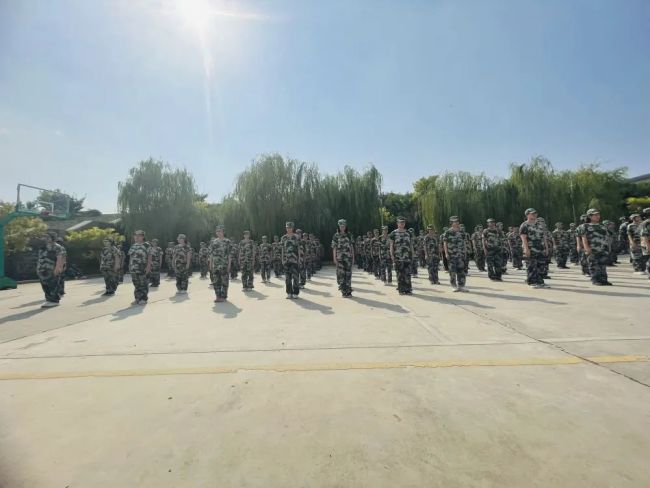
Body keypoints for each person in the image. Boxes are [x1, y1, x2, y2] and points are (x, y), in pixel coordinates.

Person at [519, 208, 549, 289]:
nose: (534, 215)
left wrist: (546, 248)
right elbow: (523, 238)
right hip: (531, 248)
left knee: (541, 266)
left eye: (535, 213)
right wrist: (526, 249)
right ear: (527, 215)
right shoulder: (524, 225)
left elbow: (544, 237)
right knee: (532, 266)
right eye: (532, 213)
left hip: (540, 248)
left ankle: (539, 281)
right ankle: (532, 282)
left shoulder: (540, 225)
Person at [582, 209, 612, 286]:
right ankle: (595, 280)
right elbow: (584, 238)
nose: (598, 216)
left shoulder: (602, 226)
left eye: (598, 214)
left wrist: (608, 247)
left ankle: (604, 280)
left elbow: (606, 237)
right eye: (595, 215)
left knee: (603, 265)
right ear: (590, 216)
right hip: (592, 249)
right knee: (594, 265)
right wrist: (587, 248)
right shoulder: (585, 226)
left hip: (602, 249)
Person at [37, 231, 65, 308]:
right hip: (42, 269)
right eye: (44, 237)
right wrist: (38, 269)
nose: (45, 238)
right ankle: (48, 300)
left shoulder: (57, 247)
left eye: (47, 237)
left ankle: (54, 300)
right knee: (45, 285)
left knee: (53, 285)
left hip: (51, 269)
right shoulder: (43, 247)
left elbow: (60, 258)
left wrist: (58, 268)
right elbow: (40, 258)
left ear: (53, 238)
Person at [389, 216, 414, 295]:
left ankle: (408, 289)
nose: (402, 224)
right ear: (397, 223)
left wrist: (413, 254)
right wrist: (392, 256)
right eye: (400, 222)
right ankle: (401, 289)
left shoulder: (408, 233)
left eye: (403, 222)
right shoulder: (393, 233)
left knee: (407, 274)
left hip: (407, 257)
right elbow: (391, 245)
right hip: (398, 257)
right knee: (399, 274)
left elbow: (411, 245)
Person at [443, 216, 469, 292]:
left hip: (460, 255)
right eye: (455, 221)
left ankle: (461, 285)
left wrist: (465, 252)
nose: (456, 223)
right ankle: (454, 285)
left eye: (457, 221)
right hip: (451, 255)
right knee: (452, 271)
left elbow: (464, 243)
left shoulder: (462, 232)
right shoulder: (448, 232)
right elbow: (445, 243)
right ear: (451, 223)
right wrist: (446, 253)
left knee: (461, 271)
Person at [209, 225, 232, 302]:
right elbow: (211, 254)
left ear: (223, 232)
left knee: (224, 281)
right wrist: (210, 264)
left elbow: (229, 254)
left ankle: (224, 296)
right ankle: (218, 296)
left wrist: (229, 265)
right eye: (217, 231)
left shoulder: (227, 242)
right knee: (216, 281)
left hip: (224, 265)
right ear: (216, 233)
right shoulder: (213, 242)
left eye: (220, 231)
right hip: (215, 265)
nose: (219, 233)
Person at [332, 219, 354, 297]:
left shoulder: (349, 235)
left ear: (345, 226)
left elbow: (351, 246)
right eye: (341, 226)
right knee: (341, 274)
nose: (342, 227)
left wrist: (353, 257)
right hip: (340, 258)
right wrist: (334, 258)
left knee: (348, 274)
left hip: (348, 258)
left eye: (344, 226)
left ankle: (349, 291)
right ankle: (343, 291)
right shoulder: (336, 235)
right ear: (339, 226)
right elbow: (334, 247)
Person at [128, 230, 152, 305]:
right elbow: (131, 257)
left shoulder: (147, 245)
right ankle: (137, 298)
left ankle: (143, 298)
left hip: (142, 268)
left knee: (143, 283)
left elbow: (150, 256)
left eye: (139, 236)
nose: (137, 237)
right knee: (136, 284)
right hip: (133, 268)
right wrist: (129, 266)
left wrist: (148, 267)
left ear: (143, 237)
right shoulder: (133, 246)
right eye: (135, 235)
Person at [281, 221, 302, 299]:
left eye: (290, 227)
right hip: (286, 260)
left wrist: (299, 259)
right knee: (287, 278)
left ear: (292, 228)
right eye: (287, 228)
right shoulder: (283, 238)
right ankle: (289, 292)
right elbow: (282, 249)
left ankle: (295, 292)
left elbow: (299, 249)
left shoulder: (296, 237)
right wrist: (282, 259)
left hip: (295, 260)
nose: (288, 229)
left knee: (296, 277)